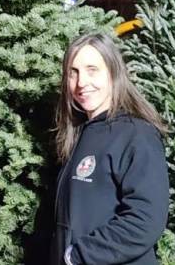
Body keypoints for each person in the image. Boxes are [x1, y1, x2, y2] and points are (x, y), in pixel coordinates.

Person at [51, 33, 169, 265]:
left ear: (113, 73)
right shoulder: (80, 133)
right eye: (73, 73)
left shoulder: (137, 134)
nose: (81, 82)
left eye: (92, 69)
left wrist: (77, 256)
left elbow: (145, 221)